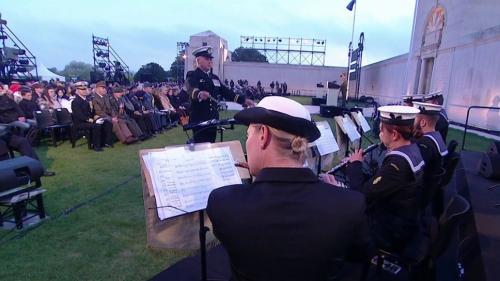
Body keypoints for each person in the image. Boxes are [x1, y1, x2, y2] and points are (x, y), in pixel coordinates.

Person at [207, 96, 373, 281]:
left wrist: (259, 181)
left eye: (248, 136)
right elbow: (361, 254)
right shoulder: (349, 205)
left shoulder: (224, 203)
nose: (247, 142)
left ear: (263, 135)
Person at [321, 105, 426, 258]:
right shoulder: (411, 150)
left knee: (335, 222)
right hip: (402, 220)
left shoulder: (397, 165)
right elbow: (378, 185)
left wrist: (354, 166)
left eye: (382, 130)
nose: (379, 133)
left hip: (390, 231)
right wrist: (351, 167)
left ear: (395, 135)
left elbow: (362, 195)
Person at [185, 46, 254, 143]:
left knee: (210, 147)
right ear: (198, 60)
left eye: (210, 59)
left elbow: (227, 92)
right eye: (207, 59)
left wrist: (243, 100)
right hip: (199, 120)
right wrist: (199, 94)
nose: (210, 61)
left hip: (213, 120)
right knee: (201, 149)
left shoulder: (214, 78)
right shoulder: (192, 75)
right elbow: (191, 89)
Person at [412, 101, 448, 216]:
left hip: (416, 197)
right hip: (427, 193)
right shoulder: (436, 137)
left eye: (415, 117)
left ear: (422, 122)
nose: (413, 120)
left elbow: (411, 173)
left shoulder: (425, 145)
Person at [71, 81, 113, 152]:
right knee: (97, 126)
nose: (85, 91)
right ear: (77, 91)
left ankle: (105, 142)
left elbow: (91, 112)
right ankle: (96, 146)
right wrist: (91, 119)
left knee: (107, 123)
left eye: (85, 89)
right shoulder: (75, 101)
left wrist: (95, 116)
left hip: (89, 120)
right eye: (82, 89)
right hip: (80, 122)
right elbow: (79, 115)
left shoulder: (87, 99)